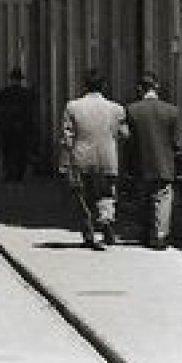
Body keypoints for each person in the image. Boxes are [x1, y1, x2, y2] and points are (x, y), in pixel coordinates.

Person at [61, 68, 129, 250]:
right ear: (104, 86)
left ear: (85, 85)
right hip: (107, 158)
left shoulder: (72, 106)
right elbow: (124, 134)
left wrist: (65, 163)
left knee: (82, 197)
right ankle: (106, 219)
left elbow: (68, 137)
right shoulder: (116, 109)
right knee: (106, 193)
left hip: (81, 157)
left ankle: (89, 233)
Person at [124, 73, 182, 250]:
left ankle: (145, 232)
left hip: (141, 164)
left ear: (140, 89)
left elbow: (129, 142)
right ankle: (159, 235)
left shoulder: (132, 109)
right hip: (165, 164)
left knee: (143, 199)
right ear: (157, 88)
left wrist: (127, 166)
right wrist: (181, 167)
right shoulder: (172, 111)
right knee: (162, 199)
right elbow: (178, 143)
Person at [0, 67, 36, 182]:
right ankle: (19, 173)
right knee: (20, 150)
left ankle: (8, 172)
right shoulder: (26, 93)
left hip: (8, 126)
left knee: (8, 150)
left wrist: (1, 124)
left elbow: (2, 110)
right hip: (21, 126)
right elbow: (28, 111)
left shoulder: (4, 92)